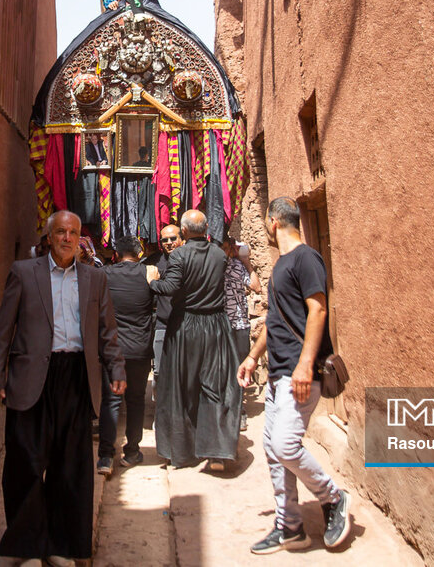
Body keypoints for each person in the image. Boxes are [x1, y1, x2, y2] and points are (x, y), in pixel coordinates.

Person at [0, 210, 126, 562]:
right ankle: (28, 546)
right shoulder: (24, 272)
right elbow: (4, 327)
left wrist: (116, 367)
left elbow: (107, 329)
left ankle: (61, 546)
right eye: (60, 232)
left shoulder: (95, 278)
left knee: (70, 466)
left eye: (73, 233)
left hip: (76, 376)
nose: (67, 238)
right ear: (49, 237)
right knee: (25, 462)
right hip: (31, 376)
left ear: (80, 239)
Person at [237, 198, 350, 555]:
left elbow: (318, 310)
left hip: (299, 373)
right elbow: (276, 319)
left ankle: (333, 497)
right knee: (273, 450)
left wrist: (304, 365)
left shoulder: (306, 258)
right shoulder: (282, 264)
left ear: (272, 222)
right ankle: (290, 526)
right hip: (278, 373)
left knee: (285, 445)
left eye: (266, 223)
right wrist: (253, 357)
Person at [149, 210, 241, 469]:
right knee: (214, 385)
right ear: (207, 227)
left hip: (186, 326)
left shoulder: (179, 255)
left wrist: (153, 282)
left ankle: (181, 450)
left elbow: (169, 288)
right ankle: (216, 452)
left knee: (182, 387)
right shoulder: (219, 254)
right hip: (216, 325)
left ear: (184, 232)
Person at [96, 235, 158, 476]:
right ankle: (132, 451)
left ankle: (105, 457)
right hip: (140, 349)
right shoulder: (148, 274)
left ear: (116, 255)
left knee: (111, 400)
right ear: (139, 254)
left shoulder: (106, 275)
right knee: (135, 400)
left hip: (113, 349)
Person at [222, 238, 258, 428]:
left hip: (240, 323)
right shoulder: (213, 268)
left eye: (227, 248)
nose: (224, 252)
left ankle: (239, 410)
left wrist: (247, 263)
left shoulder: (238, 266)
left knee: (240, 366)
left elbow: (256, 287)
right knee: (222, 367)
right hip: (220, 325)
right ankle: (225, 409)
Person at [147, 224, 182, 381]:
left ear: (181, 239)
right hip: (162, 323)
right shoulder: (153, 262)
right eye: (164, 240)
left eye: (173, 238)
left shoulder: (190, 260)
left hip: (185, 325)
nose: (169, 243)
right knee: (159, 371)